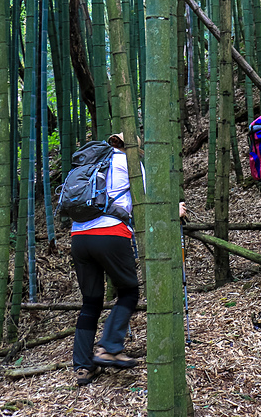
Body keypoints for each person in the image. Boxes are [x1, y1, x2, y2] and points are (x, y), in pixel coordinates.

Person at [69, 132, 188, 386]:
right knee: (129, 292)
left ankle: (82, 366)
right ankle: (109, 347)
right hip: (111, 234)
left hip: (79, 236)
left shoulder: (91, 164)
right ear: (133, 146)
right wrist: (174, 209)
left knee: (91, 302)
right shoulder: (130, 164)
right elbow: (148, 201)